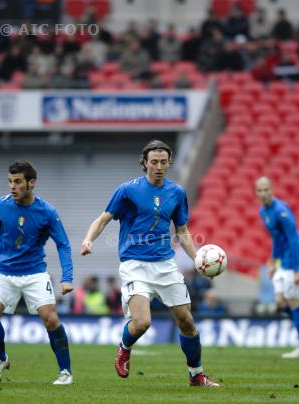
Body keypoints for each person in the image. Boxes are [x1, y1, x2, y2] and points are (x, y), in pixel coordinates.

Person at [81, 139, 219, 387]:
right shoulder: (127, 190)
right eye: (153, 162)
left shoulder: (176, 193)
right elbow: (103, 219)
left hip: (165, 265)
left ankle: (196, 374)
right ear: (144, 163)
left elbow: (183, 231)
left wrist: (197, 258)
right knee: (142, 322)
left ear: (169, 163)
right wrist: (89, 239)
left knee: (187, 322)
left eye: (163, 162)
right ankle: (124, 347)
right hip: (135, 264)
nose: (158, 166)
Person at [0, 160, 74, 384]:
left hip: (34, 272)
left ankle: (65, 372)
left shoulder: (47, 212)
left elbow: (63, 244)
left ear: (31, 183)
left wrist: (67, 277)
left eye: (18, 182)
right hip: (3, 270)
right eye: (10, 181)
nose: (12, 186)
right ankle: (1, 358)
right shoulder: (0, 206)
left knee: (51, 319)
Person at [256, 177, 299, 358]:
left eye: (266, 190)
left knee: (295, 302)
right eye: (260, 190)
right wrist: (272, 262)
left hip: (297, 259)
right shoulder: (263, 211)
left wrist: (295, 270)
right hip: (283, 261)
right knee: (280, 301)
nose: (263, 193)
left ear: (272, 190)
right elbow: (277, 239)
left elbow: (293, 239)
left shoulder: (281, 211)